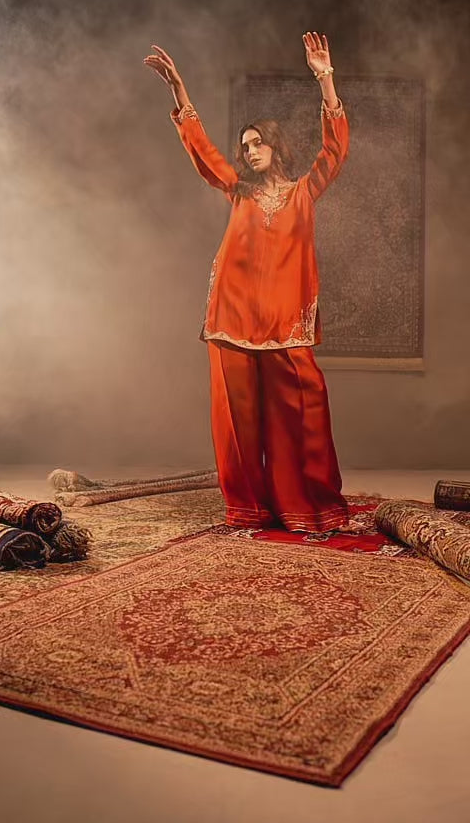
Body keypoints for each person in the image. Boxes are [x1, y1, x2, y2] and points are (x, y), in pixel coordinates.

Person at [144, 32, 360, 534]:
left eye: (258, 142)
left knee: (301, 416)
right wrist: (179, 91)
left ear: (276, 145)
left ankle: (305, 507)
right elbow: (204, 153)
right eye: (245, 146)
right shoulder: (238, 191)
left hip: (285, 326)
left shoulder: (304, 192)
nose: (251, 150)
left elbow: (335, 148)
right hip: (233, 318)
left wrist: (325, 78)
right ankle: (248, 509)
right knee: (237, 424)